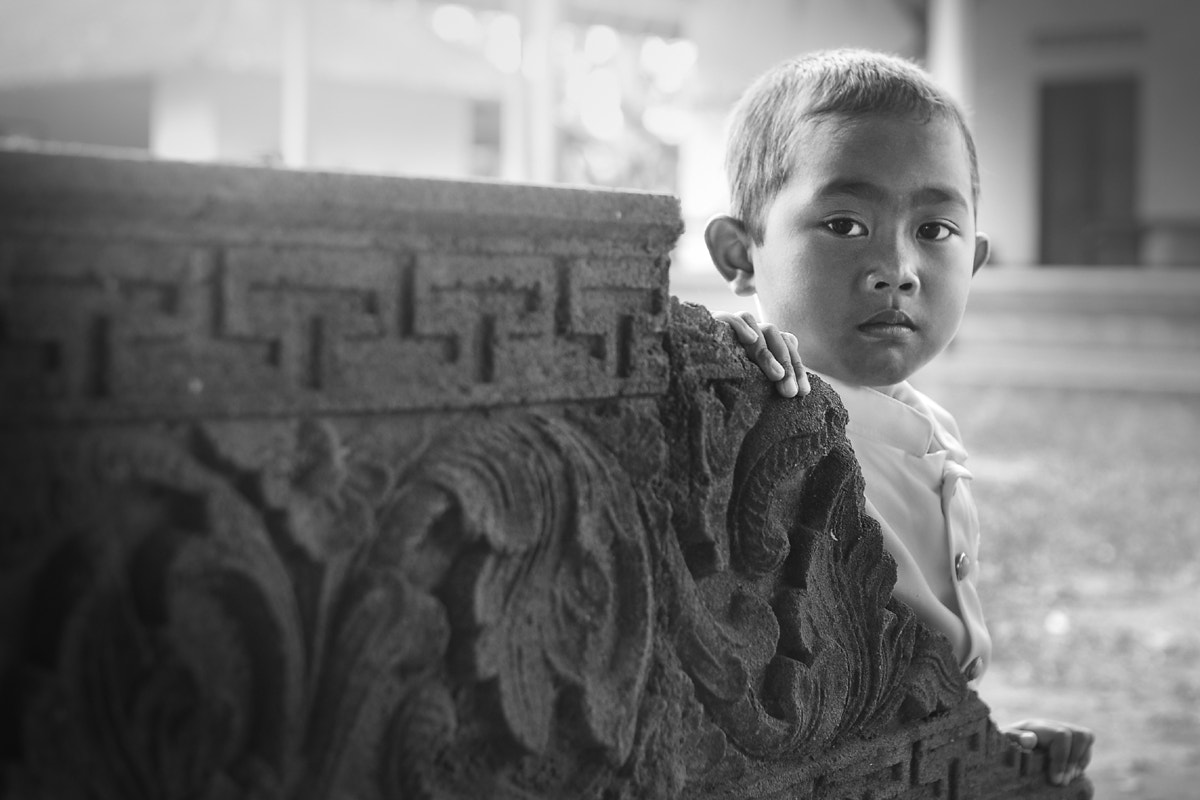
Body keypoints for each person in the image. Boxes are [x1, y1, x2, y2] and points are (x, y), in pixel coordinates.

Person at [703, 48, 1093, 787]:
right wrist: (714, 352)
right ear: (740, 254)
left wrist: (988, 741)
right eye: (846, 224)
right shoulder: (755, 398)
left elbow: (915, 659)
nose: (898, 266)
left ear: (974, 260)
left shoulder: (931, 430)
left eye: (935, 231)